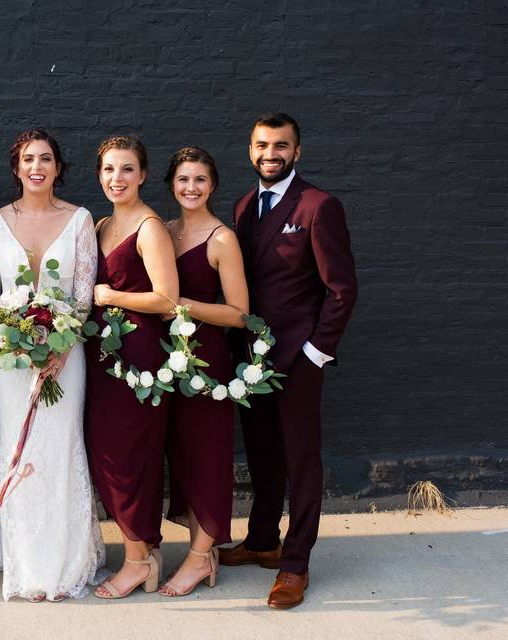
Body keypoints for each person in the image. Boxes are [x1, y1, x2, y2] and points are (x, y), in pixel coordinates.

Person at [222, 113, 357, 609]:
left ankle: (295, 563)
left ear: (297, 152)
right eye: (261, 145)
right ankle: (262, 540)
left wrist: (315, 353)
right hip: (250, 363)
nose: (270, 153)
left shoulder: (319, 207)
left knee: (301, 462)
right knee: (261, 455)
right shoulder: (242, 206)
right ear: (250, 150)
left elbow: (341, 289)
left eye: (281, 145)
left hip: (299, 360)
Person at [0, 128, 105, 601]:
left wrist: (63, 345)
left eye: (45, 158)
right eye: (28, 158)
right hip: (8, 361)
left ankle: (66, 560)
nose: (37, 167)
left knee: (58, 445)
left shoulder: (80, 219)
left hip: (64, 357)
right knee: (17, 445)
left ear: (57, 167)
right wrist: (13, 339)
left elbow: (84, 294)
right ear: (16, 167)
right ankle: (25, 560)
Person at [85, 135, 179, 599]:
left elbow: (168, 300)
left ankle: (138, 561)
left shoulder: (149, 227)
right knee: (108, 456)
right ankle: (144, 548)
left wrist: (111, 296)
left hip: (139, 357)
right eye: (108, 170)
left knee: (129, 458)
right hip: (102, 359)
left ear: (142, 175)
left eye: (126, 169)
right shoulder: (102, 224)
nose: (116, 178)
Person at [159, 147, 249, 597]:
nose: (190, 188)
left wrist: (181, 305)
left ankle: (198, 559)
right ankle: (203, 548)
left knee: (208, 457)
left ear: (212, 185)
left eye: (199, 180)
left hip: (208, 362)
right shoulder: (165, 231)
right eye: (182, 180)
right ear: (171, 185)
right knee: (183, 456)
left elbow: (239, 313)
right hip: (168, 360)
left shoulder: (221, 239)